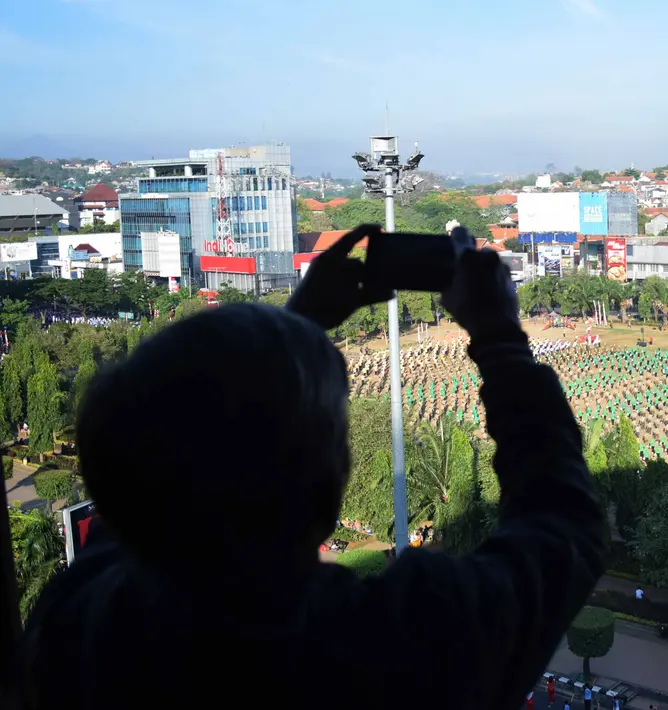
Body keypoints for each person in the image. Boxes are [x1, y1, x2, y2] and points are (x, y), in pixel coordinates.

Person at [6, 225, 605, 709]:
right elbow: (564, 525)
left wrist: (293, 326)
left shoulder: (77, 621)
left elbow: (155, 473)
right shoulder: (390, 649)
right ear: (327, 484)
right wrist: (498, 334)